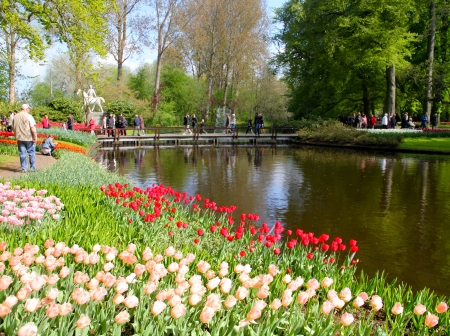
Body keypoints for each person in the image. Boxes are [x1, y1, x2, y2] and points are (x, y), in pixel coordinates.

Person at [12, 104, 37, 173]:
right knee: (31, 153)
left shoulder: (15, 116)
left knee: (22, 154)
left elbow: (13, 127)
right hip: (28, 137)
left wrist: (16, 134)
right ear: (26, 109)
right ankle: (32, 168)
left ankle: (24, 168)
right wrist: (35, 137)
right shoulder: (29, 116)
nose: (29, 110)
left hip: (19, 137)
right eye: (29, 109)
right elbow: (32, 128)